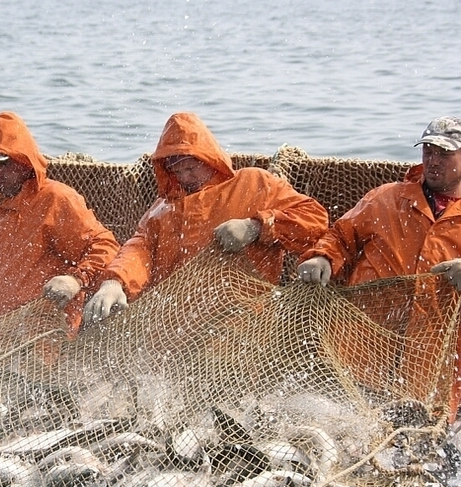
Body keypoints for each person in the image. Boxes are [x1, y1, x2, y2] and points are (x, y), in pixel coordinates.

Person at [84, 112, 330, 322]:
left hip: (242, 322)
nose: (185, 177)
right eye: (177, 170)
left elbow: (315, 219)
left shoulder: (254, 183)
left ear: (209, 158)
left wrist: (256, 227)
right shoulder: (161, 209)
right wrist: (114, 283)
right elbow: (139, 249)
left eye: (191, 167)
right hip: (172, 325)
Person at [297, 116, 461, 421]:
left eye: (445, 153)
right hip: (362, 353)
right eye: (428, 151)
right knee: (346, 431)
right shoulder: (385, 198)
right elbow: (340, 236)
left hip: (434, 365)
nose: (433, 161)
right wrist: (322, 257)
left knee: (422, 444)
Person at [0, 111, 120, 336]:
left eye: (4, 165)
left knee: (29, 366)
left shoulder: (56, 199)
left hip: (44, 324)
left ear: (24, 163)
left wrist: (75, 280)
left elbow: (105, 245)